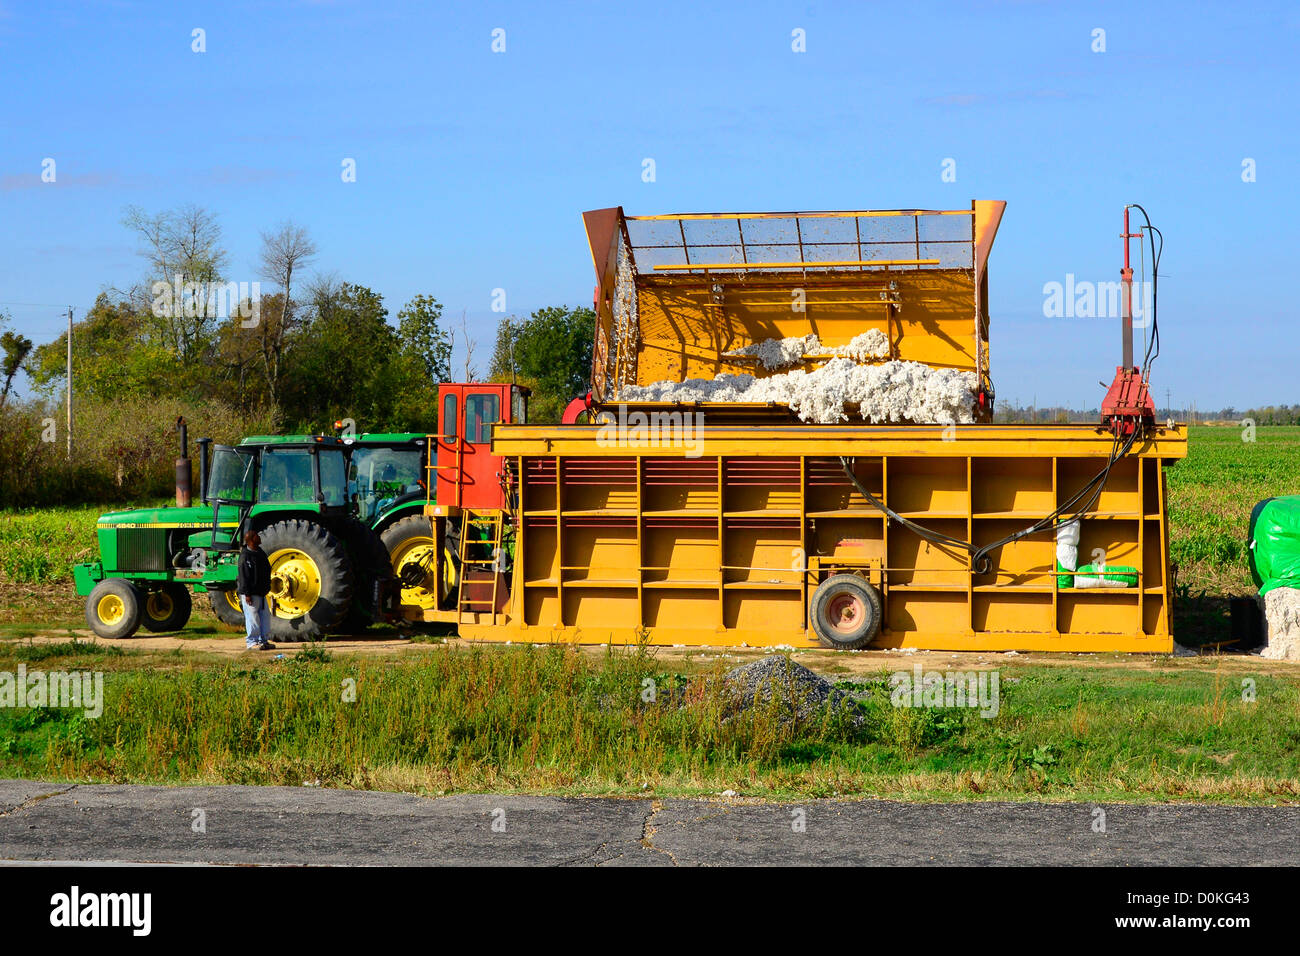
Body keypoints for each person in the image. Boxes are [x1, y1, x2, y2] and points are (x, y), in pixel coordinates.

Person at [237, 530, 275, 650]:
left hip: (261, 593)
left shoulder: (260, 553)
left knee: (264, 618)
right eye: (257, 535)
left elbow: (267, 569)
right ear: (252, 539)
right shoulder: (245, 556)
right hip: (250, 594)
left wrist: (267, 587)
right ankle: (252, 643)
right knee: (252, 617)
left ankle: (263, 641)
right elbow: (244, 576)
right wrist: (247, 594)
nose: (259, 537)